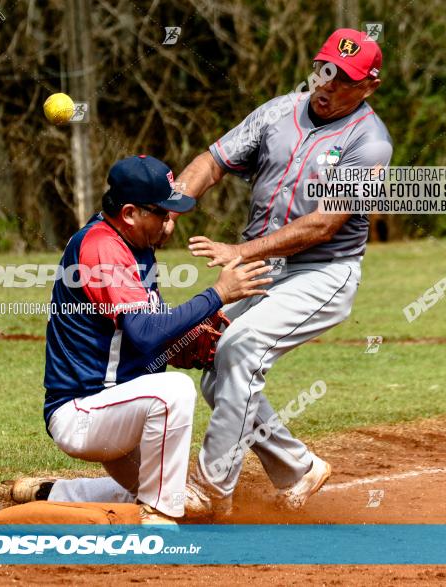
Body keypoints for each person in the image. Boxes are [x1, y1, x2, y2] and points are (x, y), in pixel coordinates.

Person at [166, 28, 393, 516]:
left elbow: (324, 224)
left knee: (241, 350)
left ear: (369, 86)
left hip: (322, 272)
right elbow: (213, 161)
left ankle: (210, 489)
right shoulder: (277, 112)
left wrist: (242, 253)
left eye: (345, 79)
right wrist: (170, 205)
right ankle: (297, 467)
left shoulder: (370, 143)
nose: (328, 85)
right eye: (325, 70)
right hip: (266, 264)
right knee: (217, 373)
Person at [11, 155, 272, 525]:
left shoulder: (133, 242)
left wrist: (188, 341)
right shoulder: (102, 248)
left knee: (196, 503)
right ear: (131, 213)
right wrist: (215, 296)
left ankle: (52, 493)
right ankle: (159, 516)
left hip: (122, 411)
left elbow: (149, 331)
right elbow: (147, 335)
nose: (169, 222)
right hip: (84, 413)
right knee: (175, 391)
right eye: (162, 213)